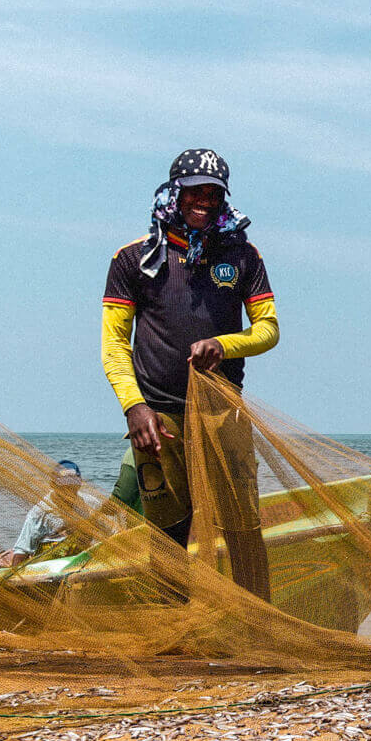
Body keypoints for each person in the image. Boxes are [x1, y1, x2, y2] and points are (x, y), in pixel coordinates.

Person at [101, 148, 278, 600]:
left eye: (213, 194)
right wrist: (134, 407)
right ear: (173, 193)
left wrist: (224, 344)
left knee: (243, 528)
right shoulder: (134, 259)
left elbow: (268, 330)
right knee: (167, 536)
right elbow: (115, 345)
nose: (204, 201)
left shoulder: (242, 255)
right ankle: (174, 625)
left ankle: (259, 624)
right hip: (158, 420)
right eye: (194, 191)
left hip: (223, 412)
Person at [0, 451, 145, 570]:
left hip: (77, 559)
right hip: (44, 562)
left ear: (79, 484)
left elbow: (113, 533)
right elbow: (23, 550)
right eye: (64, 487)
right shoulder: (40, 512)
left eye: (72, 486)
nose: (69, 491)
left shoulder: (90, 504)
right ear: (53, 485)